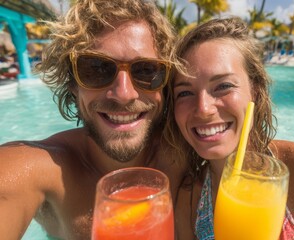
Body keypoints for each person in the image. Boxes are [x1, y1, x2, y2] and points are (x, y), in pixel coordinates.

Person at [0, 0, 187, 239]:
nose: (124, 94)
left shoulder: (185, 152)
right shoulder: (41, 170)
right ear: (72, 85)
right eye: (96, 68)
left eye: (146, 71)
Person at [165, 17, 294, 240]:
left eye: (223, 86)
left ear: (254, 92)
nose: (203, 109)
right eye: (185, 92)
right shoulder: (189, 200)